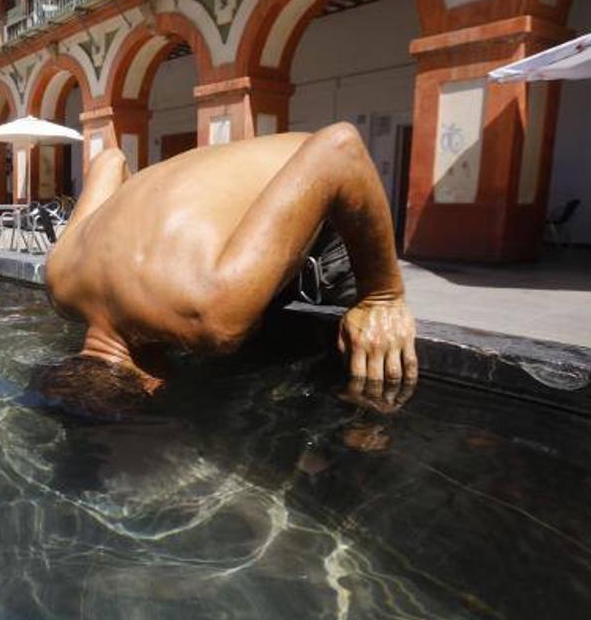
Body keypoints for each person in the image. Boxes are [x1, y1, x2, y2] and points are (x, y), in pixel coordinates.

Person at [39, 122, 417, 418]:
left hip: (327, 185)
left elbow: (341, 148)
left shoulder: (211, 314)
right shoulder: (59, 281)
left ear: (154, 385)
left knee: (358, 377)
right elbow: (110, 161)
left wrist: (381, 295)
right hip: (266, 170)